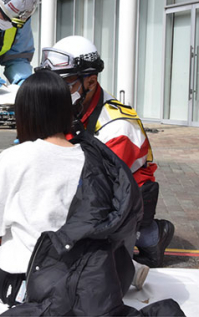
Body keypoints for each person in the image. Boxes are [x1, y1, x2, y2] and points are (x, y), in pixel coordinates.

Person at [0, 71, 144, 313]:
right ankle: (127, 271)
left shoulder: (16, 157)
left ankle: (30, 296)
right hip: (94, 270)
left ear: (25, 112)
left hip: (41, 273)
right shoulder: (93, 155)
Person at [37, 35, 174, 268]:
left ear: (90, 82)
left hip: (122, 192)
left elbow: (98, 191)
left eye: (64, 84)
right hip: (89, 180)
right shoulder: (74, 106)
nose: (55, 91)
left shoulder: (118, 127)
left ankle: (150, 235)